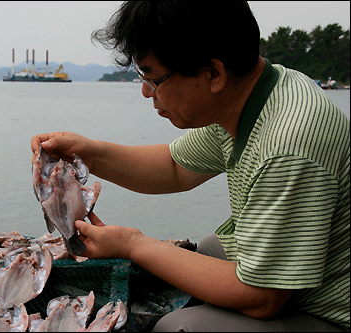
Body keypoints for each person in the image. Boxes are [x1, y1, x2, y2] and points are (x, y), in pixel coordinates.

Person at [31, 1, 349, 331]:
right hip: (297, 284)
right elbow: (175, 167)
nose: (145, 92)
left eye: (153, 78)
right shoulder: (254, 94)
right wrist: (89, 154)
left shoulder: (287, 143)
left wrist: (134, 245)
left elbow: (261, 298)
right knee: (211, 248)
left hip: (329, 310)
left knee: (178, 327)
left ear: (212, 73)